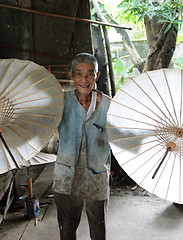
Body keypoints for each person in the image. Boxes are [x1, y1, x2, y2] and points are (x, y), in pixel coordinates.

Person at [52, 53, 111, 240]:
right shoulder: (60, 102)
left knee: (98, 227)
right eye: (79, 74)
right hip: (66, 175)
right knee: (67, 228)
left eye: (90, 74)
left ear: (97, 76)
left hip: (96, 175)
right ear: (72, 75)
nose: (84, 80)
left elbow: (125, 134)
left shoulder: (108, 105)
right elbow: (41, 125)